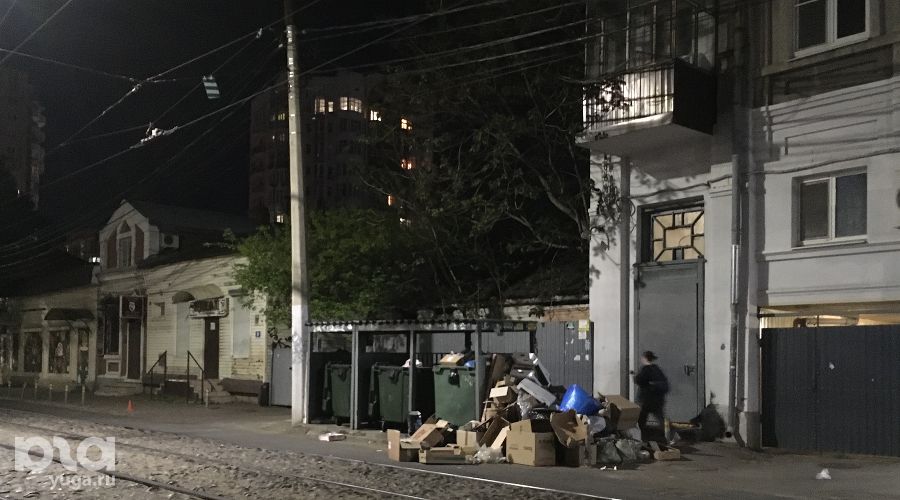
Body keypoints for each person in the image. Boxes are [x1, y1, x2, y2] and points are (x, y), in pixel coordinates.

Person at [634, 350, 669, 438]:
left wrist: (634, 376)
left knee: (641, 420)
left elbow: (639, 380)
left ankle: (640, 437)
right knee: (660, 419)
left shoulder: (645, 369)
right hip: (657, 400)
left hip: (646, 400)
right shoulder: (657, 369)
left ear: (645, 358)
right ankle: (667, 437)